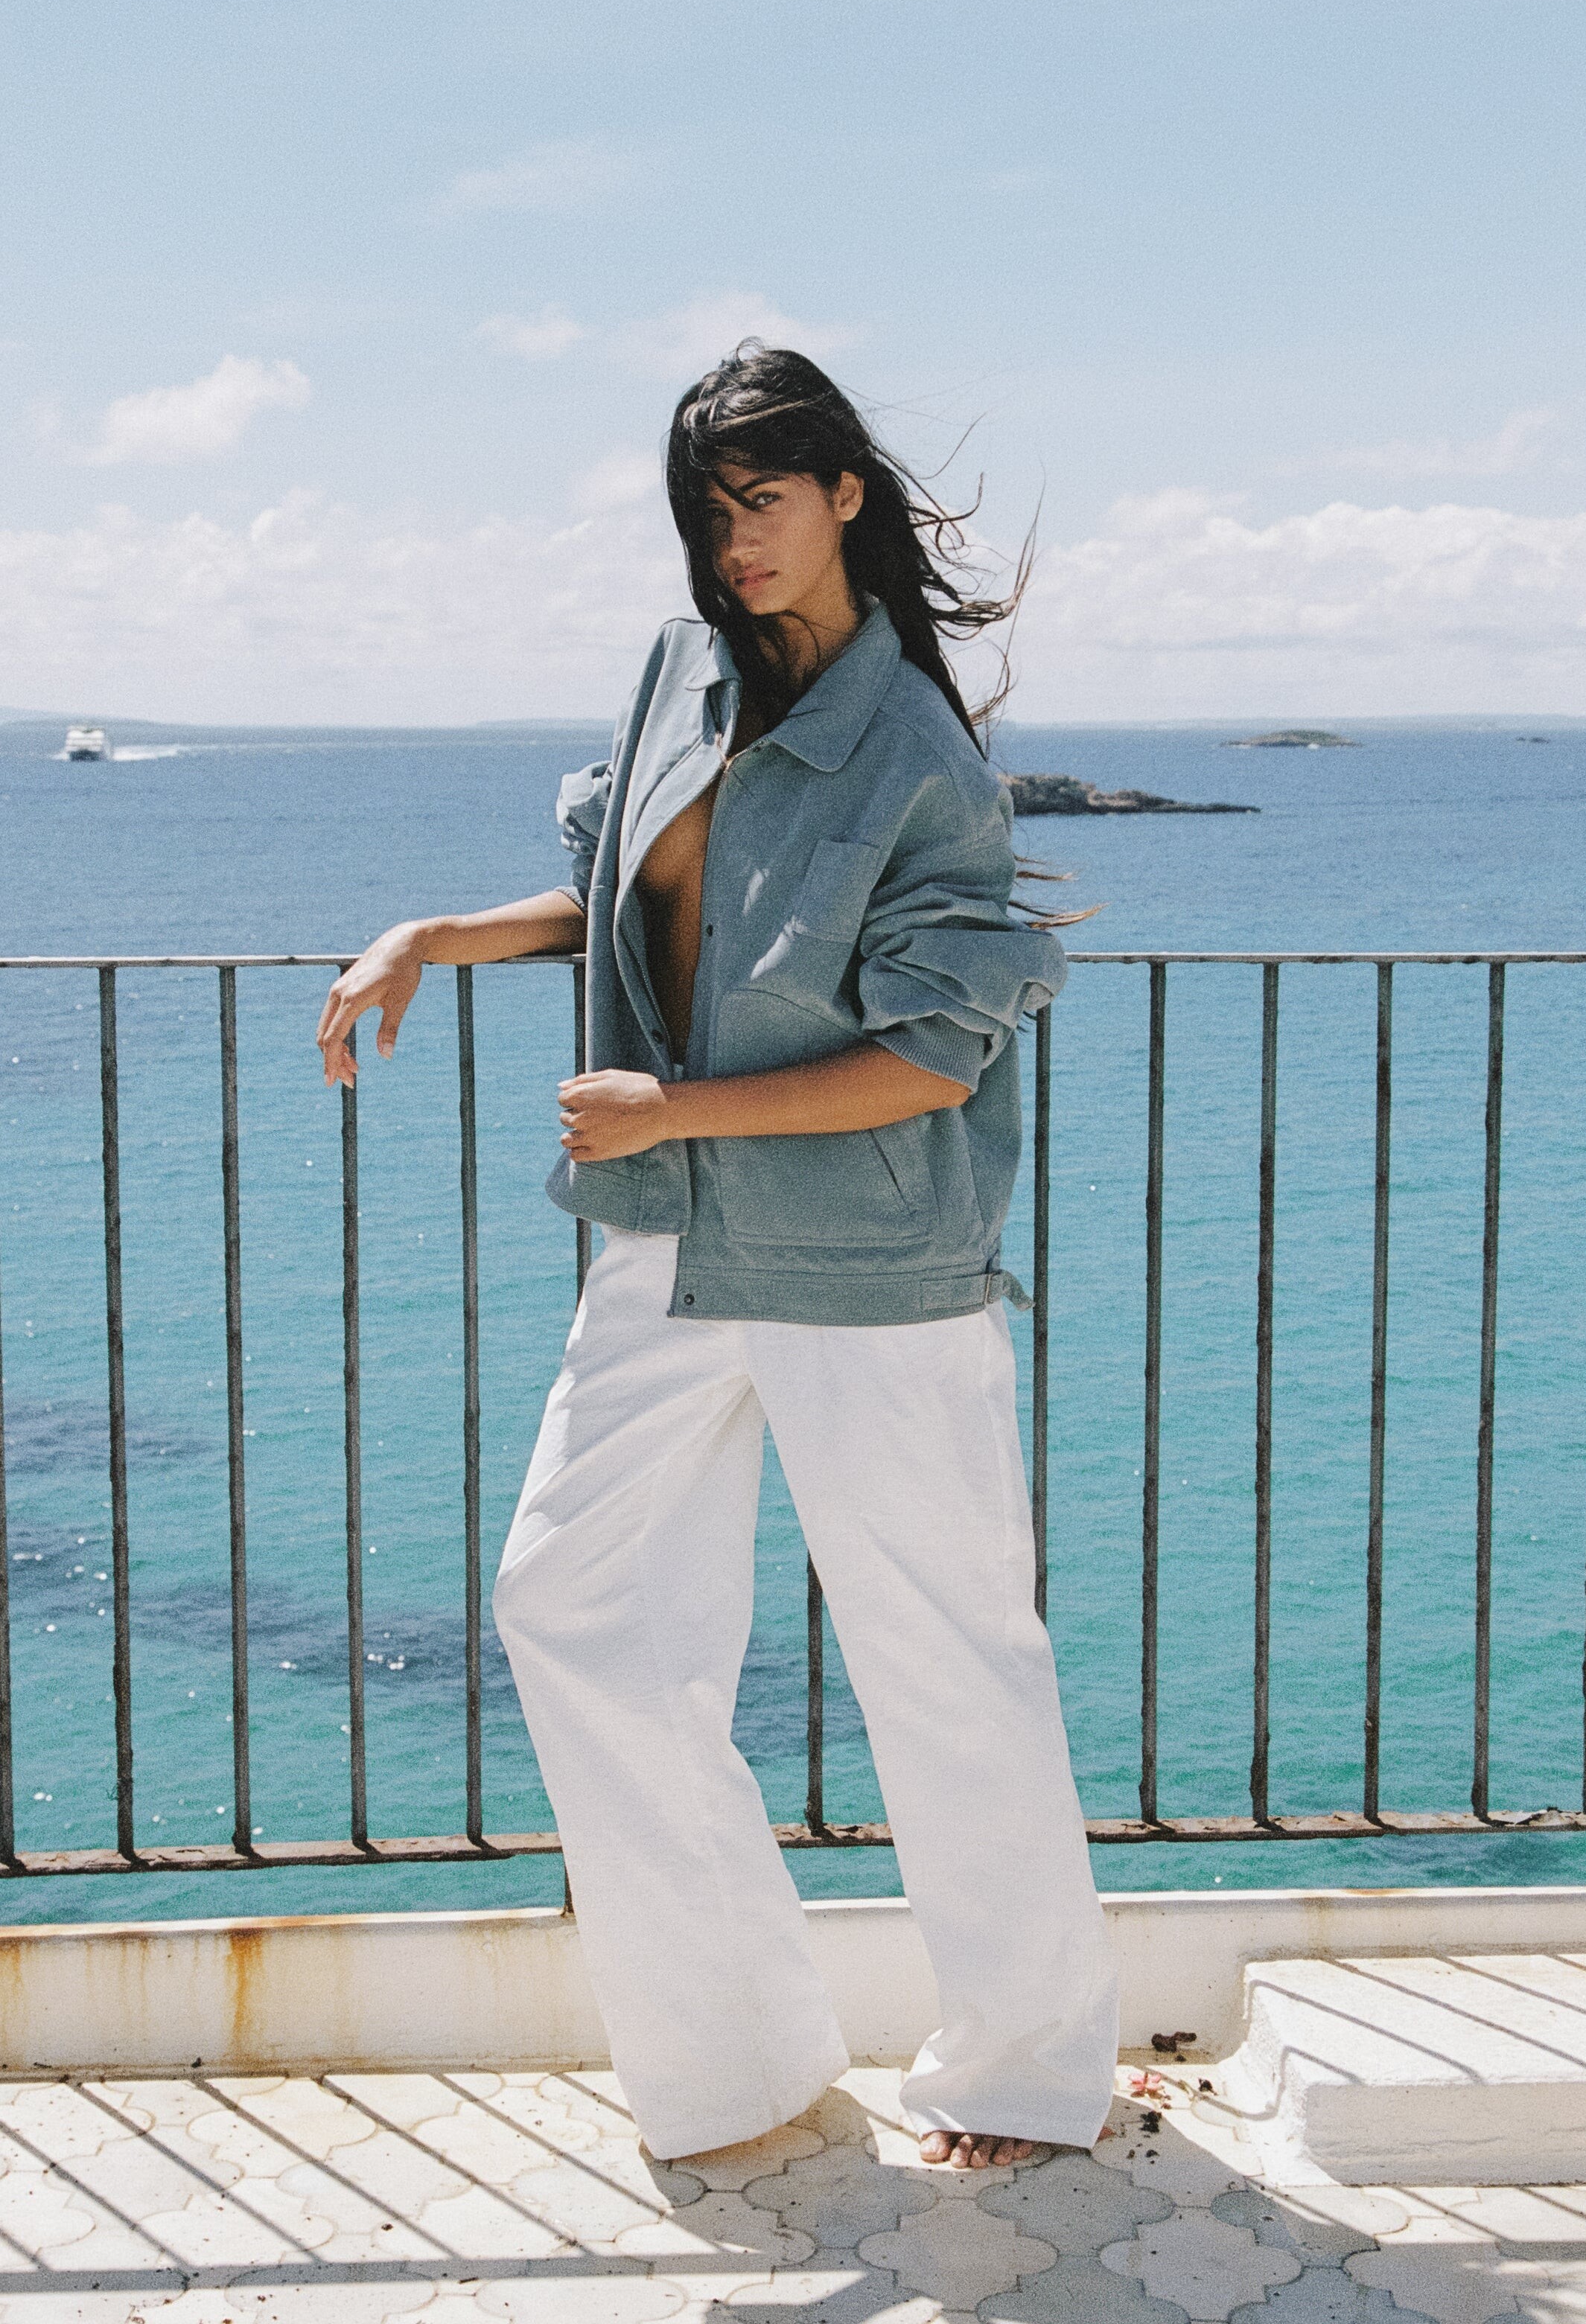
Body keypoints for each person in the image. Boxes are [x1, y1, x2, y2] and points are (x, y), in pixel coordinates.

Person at [316, 345, 1119, 2170]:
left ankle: (1025, 2070)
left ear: (845, 492)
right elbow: (625, 886)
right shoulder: (681, 669)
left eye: (761, 497)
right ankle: (737, 2056)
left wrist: (671, 1109)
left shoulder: (916, 755)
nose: (733, 538)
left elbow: (930, 1060)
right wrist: (430, 933)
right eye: (707, 508)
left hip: (869, 1266)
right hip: (666, 1245)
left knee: (948, 1660)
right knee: (570, 1604)